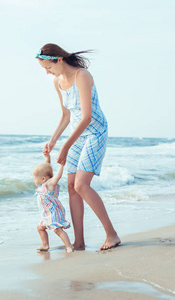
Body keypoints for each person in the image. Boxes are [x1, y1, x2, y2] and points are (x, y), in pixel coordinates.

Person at [36, 43, 121, 250]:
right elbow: (66, 115)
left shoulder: (82, 76)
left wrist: (66, 146)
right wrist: (54, 139)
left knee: (81, 185)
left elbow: (86, 117)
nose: (47, 73)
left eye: (48, 67)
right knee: (71, 187)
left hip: (94, 133)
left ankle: (112, 235)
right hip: (77, 136)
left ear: (59, 60)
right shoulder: (58, 82)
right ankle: (79, 242)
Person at [33, 153, 73, 253]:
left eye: (35, 177)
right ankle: (45, 244)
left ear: (43, 178)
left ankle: (69, 246)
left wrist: (62, 165)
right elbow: (47, 167)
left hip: (53, 213)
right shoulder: (44, 183)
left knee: (58, 230)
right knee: (40, 228)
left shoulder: (49, 184)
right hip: (46, 215)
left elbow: (57, 176)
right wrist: (47, 157)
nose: (34, 179)